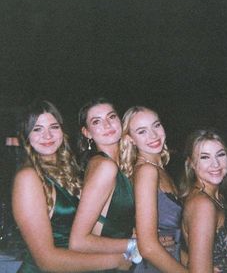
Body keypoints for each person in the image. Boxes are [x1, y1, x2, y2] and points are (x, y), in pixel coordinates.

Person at [12, 100, 128, 273]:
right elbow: (46, 260)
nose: (48, 136)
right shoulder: (28, 178)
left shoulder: (71, 170)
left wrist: (134, 239)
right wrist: (117, 260)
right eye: (37, 129)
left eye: (54, 127)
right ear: (25, 135)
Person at [69, 97, 142, 272]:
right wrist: (137, 245)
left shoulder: (120, 165)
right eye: (96, 121)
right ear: (87, 133)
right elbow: (78, 242)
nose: (107, 125)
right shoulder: (104, 166)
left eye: (111, 117)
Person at [120, 106, 188, 273]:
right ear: (130, 139)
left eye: (156, 125)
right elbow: (148, 247)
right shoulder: (146, 171)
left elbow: (172, 239)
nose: (153, 135)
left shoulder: (159, 169)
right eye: (142, 131)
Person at [179, 129, 227, 272]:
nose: (215, 164)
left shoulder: (216, 197)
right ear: (191, 163)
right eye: (205, 157)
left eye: (220, 155)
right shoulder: (202, 205)